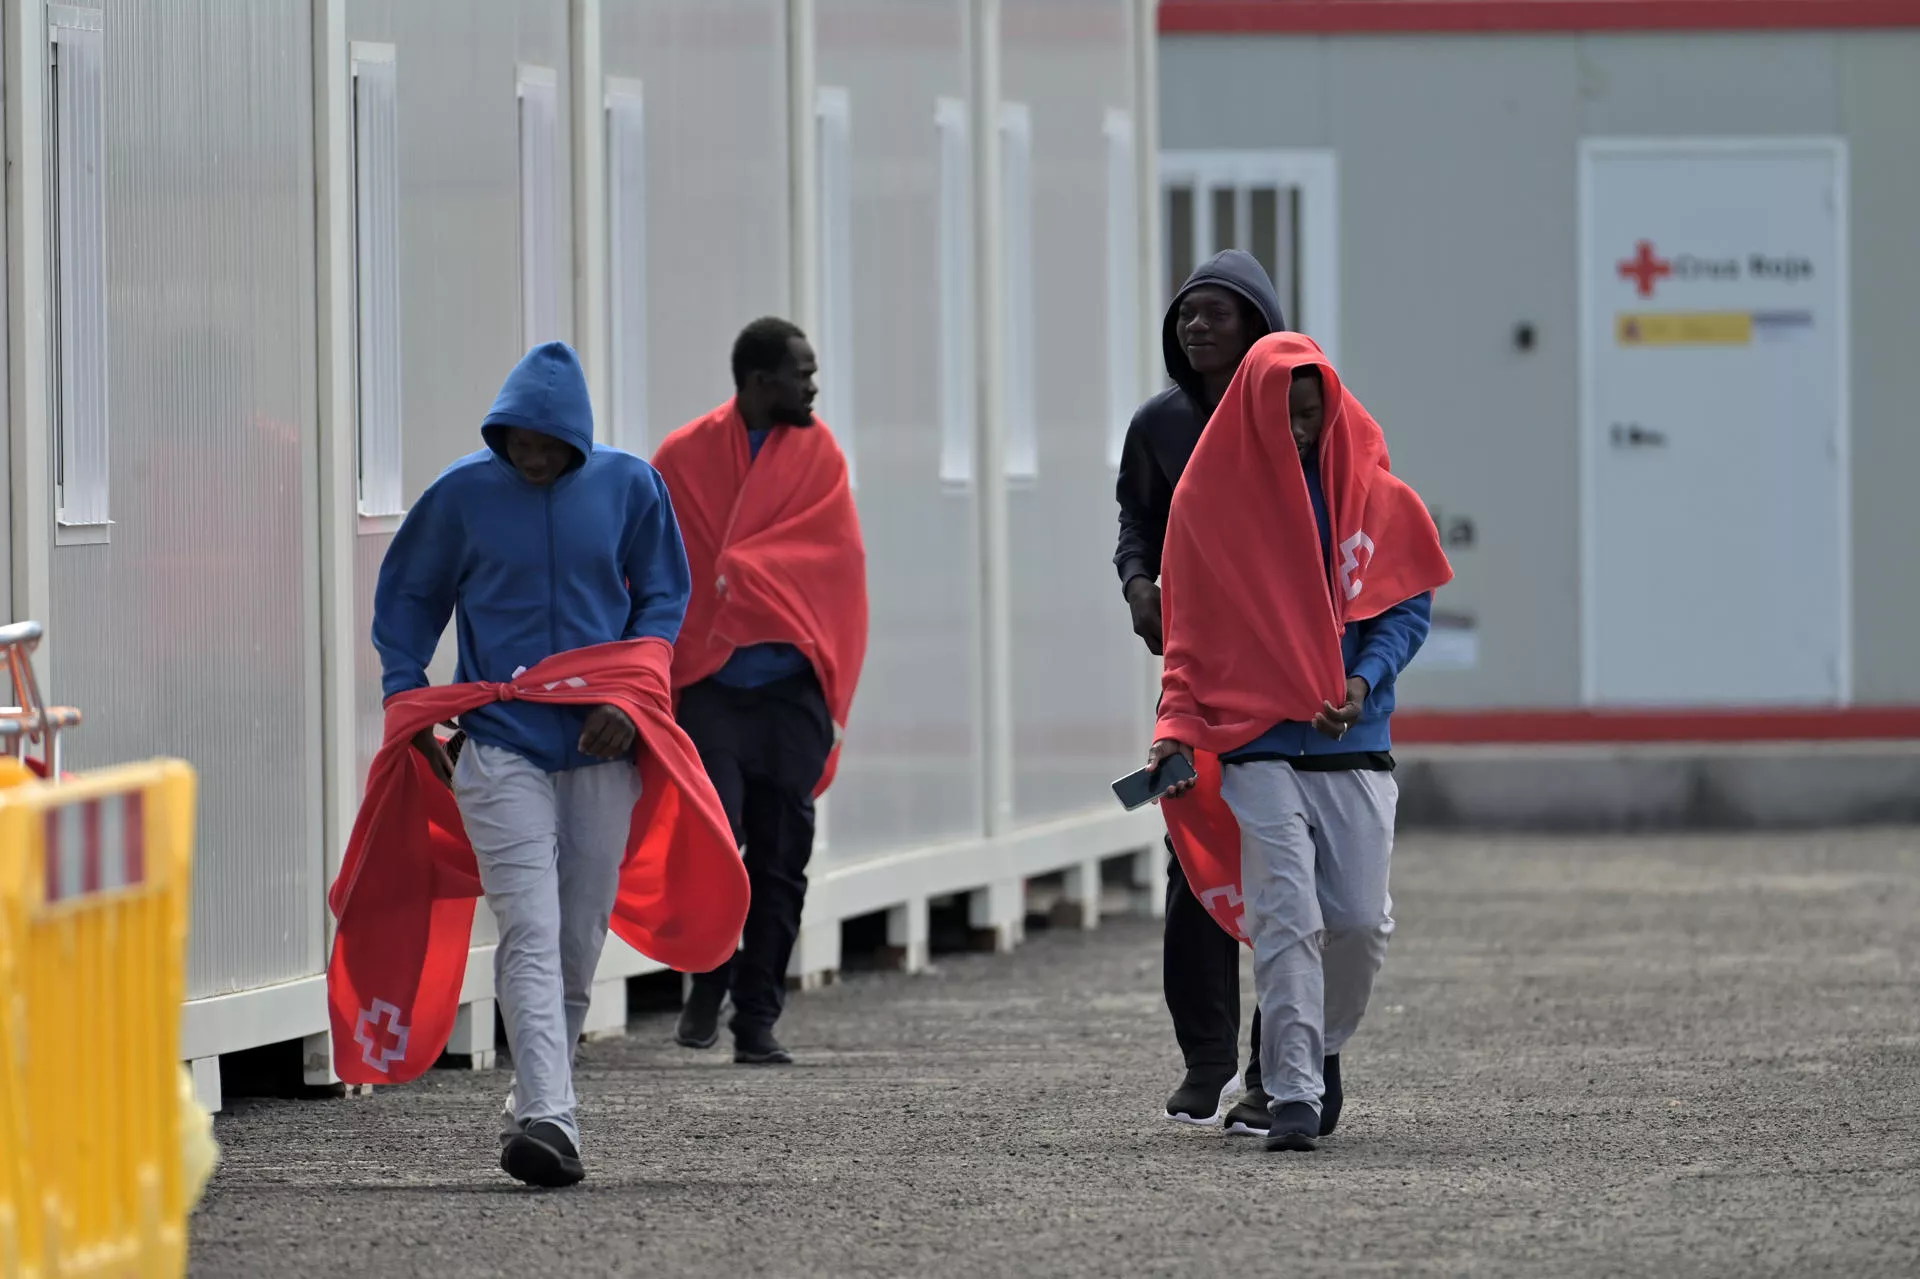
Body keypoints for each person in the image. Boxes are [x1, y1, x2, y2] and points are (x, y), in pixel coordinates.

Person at [367, 340, 717, 1188]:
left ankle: (535, 1103)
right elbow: (411, 593)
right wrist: (407, 696)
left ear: (576, 439)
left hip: (606, 742)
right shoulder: (460, 495)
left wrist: (632, 698)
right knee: (529, 924)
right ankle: (555, 1121)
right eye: (513, 437)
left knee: (577, 936)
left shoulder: (632, 486)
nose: (527, 452)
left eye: (543, 440)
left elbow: (665, 595)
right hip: (498, 741)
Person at [1150, 333, 1452, 1153]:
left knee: (1358, 921)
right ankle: (1288, 1095)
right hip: (1256, 743)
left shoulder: (1376, 493)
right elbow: (1191, 640)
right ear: (1251, 415)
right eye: (1285, 420)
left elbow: (1405, 608)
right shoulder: (1206, 505)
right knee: (1287, 913)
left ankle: (1316, 1047)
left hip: (1355, 740)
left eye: (1313, 417)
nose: (1302, 434)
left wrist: (1361, 684)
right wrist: (1173, 730)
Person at [654, 317, 869, 1067]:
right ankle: (709, 973)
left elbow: (834, 561)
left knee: (783, 856)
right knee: (718, 842)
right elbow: (654, 563)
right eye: (801, 373)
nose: (813, 385)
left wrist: (750, 568)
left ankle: (758, 1016)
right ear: (757, 382)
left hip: (790, 690)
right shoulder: (681, 459)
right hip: (710, 685)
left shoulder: (821, 456)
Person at [1114, 249, 1284, 1134]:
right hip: (1195, 679)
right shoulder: (1158, 427)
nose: (1197, 326)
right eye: (1186, 314)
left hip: (1286, 678)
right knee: (1193, 864)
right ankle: (1205, 1057)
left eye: (1217, 311)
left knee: (1285, 872)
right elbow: (1135, 523)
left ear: (1259, 321)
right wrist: (1138, 584)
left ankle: (1272, 1065)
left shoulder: (1300, 416)